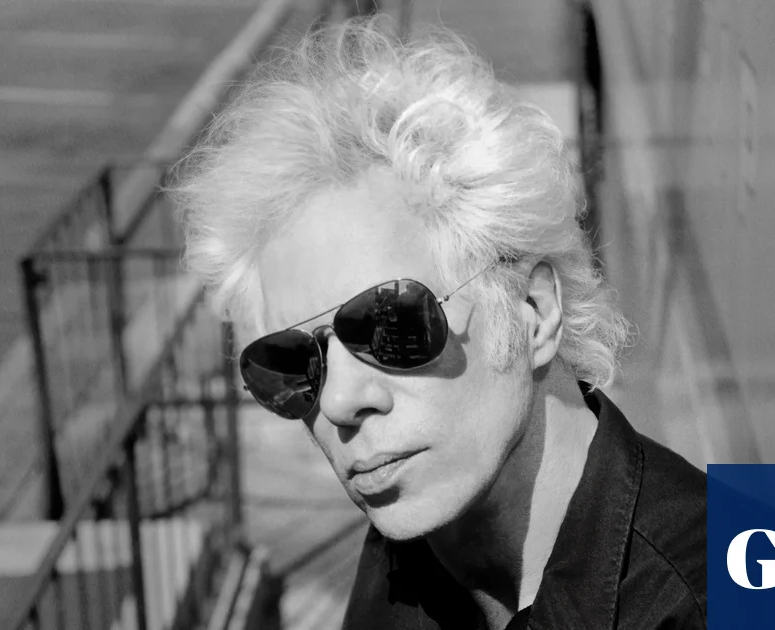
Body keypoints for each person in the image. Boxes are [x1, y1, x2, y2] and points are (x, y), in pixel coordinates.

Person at [171, 16, 706, 629]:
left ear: (534, 311)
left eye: (392, 325)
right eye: (292, 363)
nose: (339, 403)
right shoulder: (409, 544)